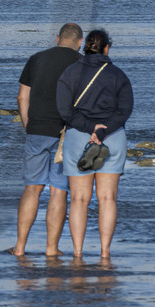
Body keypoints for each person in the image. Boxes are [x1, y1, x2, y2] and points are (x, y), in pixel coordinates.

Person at [55, 28, 133, 261]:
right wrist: (103, 128)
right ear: (107, 48)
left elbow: (64, 110)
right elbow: (125, 110)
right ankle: (105, 252)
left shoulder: (69, 73)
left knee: (79, 199)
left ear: (85, 45)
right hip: (112, 136)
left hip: (79, 136)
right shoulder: (118, 75)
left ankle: (77, 253)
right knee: (108, 198)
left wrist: (90, 127)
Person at [14, 22, 84, 257]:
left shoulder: (37, 59)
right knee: (58, 192)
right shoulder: (81, 63)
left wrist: (28, 125)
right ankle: (51, 249)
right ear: (80, 42)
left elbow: (22, 97)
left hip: (37, 129)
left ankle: (20, 248)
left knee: (32, 189)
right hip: (67, 134)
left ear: (57, 38)